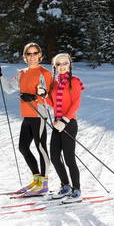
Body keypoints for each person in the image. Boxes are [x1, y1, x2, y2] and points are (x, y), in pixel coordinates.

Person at [0, 42, 52, 196]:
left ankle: (44, 184)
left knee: (41, 148)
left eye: (35, 53)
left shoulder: (44, 73)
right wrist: (0, 75)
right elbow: (8, 89)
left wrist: (35, 96)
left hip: (39, 114)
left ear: (40, 55)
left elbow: (47, 94)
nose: (32, 57)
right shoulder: (21, 73)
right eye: (29, 54)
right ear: (25, 56)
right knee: (23, 148)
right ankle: (37, 179)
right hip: (27, 114)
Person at [38, 53, 85, 202]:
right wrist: (44, 94)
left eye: (65, 63)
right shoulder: (55, 83)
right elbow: (52, 103)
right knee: (55, 157)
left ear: (69, 64)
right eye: (59, 64)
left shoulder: (74, 81)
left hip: (69, 123)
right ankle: (66, 186)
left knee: (69, 158)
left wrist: (64, 120)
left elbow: (76, 104)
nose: (62, 66)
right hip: (57, 124)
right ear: (55, 66)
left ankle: (77, 191)